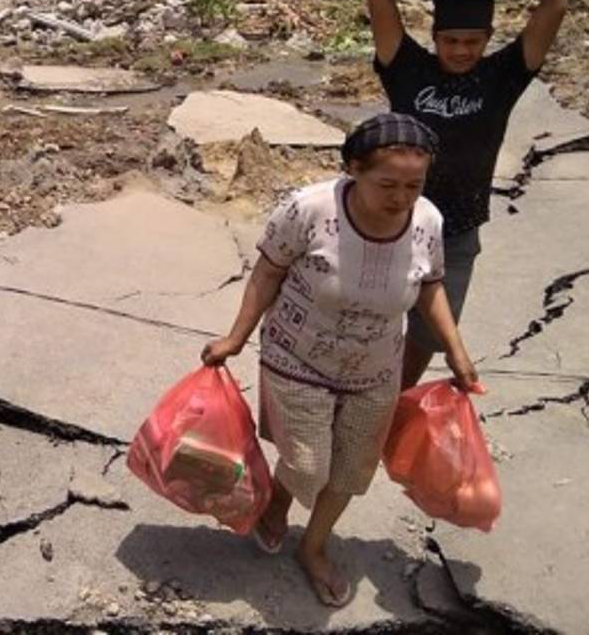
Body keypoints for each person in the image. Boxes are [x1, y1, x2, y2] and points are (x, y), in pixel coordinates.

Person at [201, 112, 480, 608]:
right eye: (387, 184)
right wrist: (235, 337)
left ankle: (313, 547)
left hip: (375, 368)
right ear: (353, 168)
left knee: (352, 471)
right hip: (298, 357)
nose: (400, 197)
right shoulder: (308, 210)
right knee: (308, 466)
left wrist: (457, 353)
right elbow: (267, 273)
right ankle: (278, 503)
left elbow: (430, 284)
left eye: (413, 185)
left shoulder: (427, 220)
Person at [367, 0, 571, 389]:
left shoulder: (502, 76)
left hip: (457, 231)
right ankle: (363, 403)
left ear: (488, 40)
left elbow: (553, 6)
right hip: (392, 218)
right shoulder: (408, 69)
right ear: (434, 38)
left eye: (472, 42)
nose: (461, 51)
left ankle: (394, 403)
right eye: (451, 41)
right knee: (368, 323)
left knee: (430, 335)